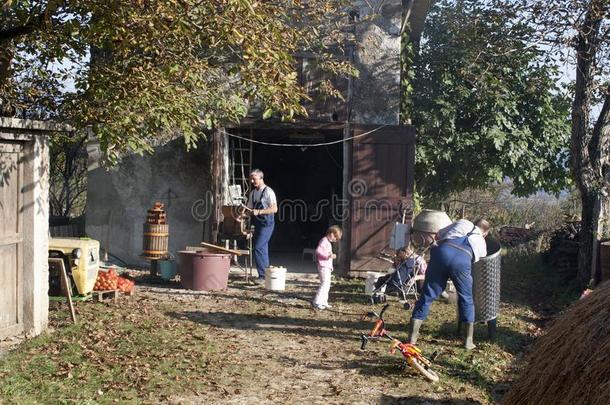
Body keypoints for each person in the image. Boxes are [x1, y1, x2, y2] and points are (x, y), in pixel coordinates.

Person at [408, 218, 490, 350]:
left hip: (442, 253)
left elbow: (438, 234)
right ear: (485, 233)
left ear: (474, 222)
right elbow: (477, 261)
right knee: (466, 298)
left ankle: (412, 338)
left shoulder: (463, 222)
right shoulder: (481, 242)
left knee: (427, 295)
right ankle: (468, 341)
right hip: (462, 262)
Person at [246, 169, 278, 284]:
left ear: (261, 178)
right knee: (263, 249)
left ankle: (262, 276)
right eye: (251, 179)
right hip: (258, 223)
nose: (252, 181)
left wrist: (259, 212)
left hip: (267, 224)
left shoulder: (268, 191)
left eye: (254, 179)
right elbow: (249, 210)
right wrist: (242, 215)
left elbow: (274, 209)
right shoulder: (253, 193)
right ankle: (266, 275)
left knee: (258, 247)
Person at [312, 225, 342, 310]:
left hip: (326, 266)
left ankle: (324, 301)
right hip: (323, 266)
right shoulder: (324, 241)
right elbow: (318, 251)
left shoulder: (327, 242)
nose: (335, 240)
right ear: (331, 233)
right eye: (335, 237)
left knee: (327, 285)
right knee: (324, 284)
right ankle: (317, 301)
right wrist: (328, 256)